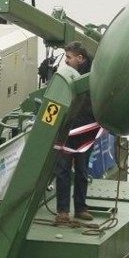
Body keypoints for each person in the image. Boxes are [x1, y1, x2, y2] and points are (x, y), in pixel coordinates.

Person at [54, 41, 96, 225]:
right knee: (62, 169)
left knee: (82, 169)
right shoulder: (65, 73)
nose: (66, 61)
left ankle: (80, 208)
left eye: (69, 58)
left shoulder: (93, 74)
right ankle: (62, 211)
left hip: (85, 127)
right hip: (67, 128)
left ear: (80, 58)